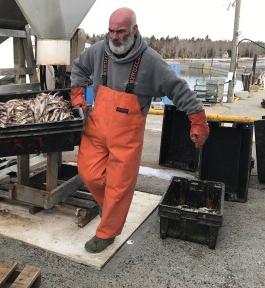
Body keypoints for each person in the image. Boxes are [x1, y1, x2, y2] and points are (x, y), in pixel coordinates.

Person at [69, 7, 209, 253]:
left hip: (127, 135)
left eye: (121, 31)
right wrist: (77, 95)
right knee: (88, 173)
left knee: (119, 186)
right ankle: (109, 207)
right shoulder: (98, 50)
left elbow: (180, 90)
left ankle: (107, 232)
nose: (114, 37)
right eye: (111, 31)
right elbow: (79, 67)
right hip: (96, 126)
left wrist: (198, 120)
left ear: (134, 29)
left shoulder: (151, 61)